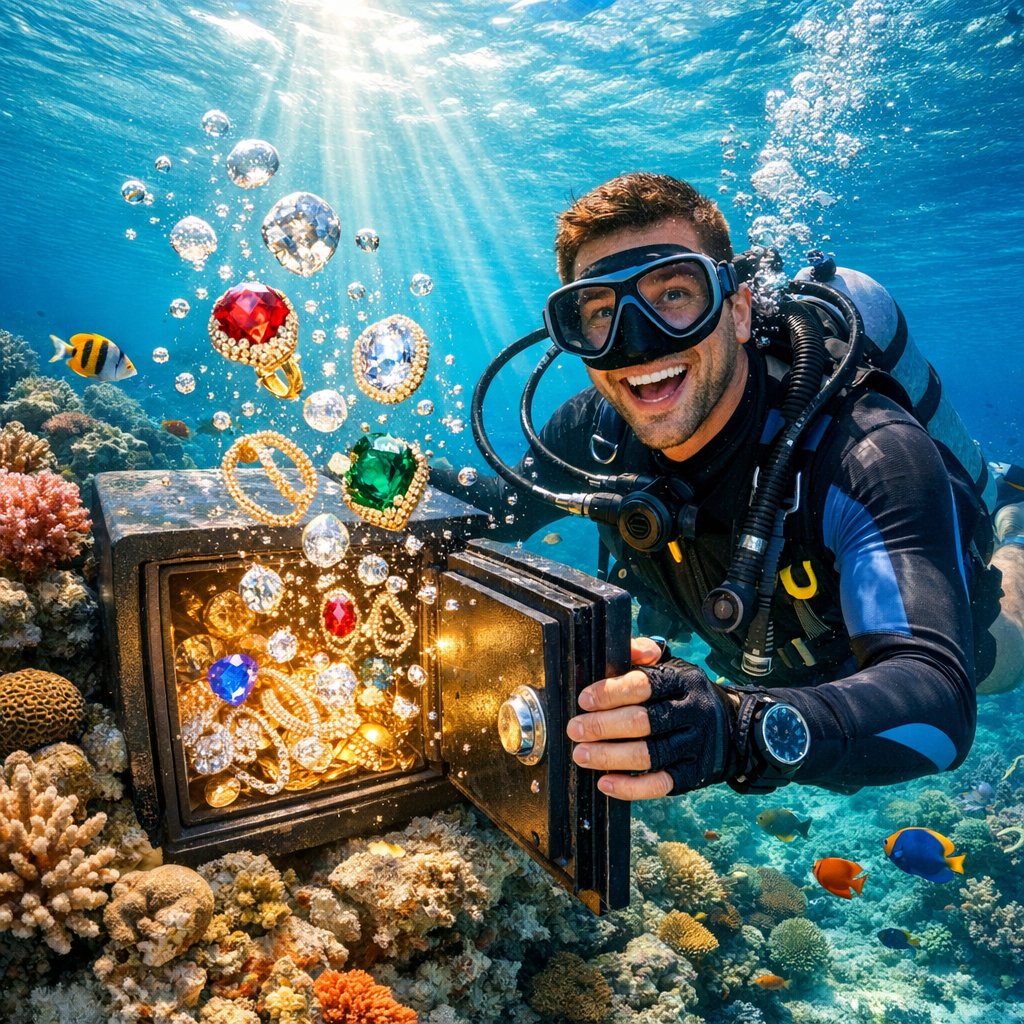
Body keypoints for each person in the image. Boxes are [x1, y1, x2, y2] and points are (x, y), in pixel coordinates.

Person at [434, 172, 1024, 800]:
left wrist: (739, 730)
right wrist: (381, 492)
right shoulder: (594, 432)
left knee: (998, 649)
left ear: (737, 310)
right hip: (748, 634)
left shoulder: (867, 453)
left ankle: (1014, 514)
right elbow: (498, 513)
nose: (638, 343)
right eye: (602, 313)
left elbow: (937, 701)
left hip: (875, 649)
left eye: (674, 294)